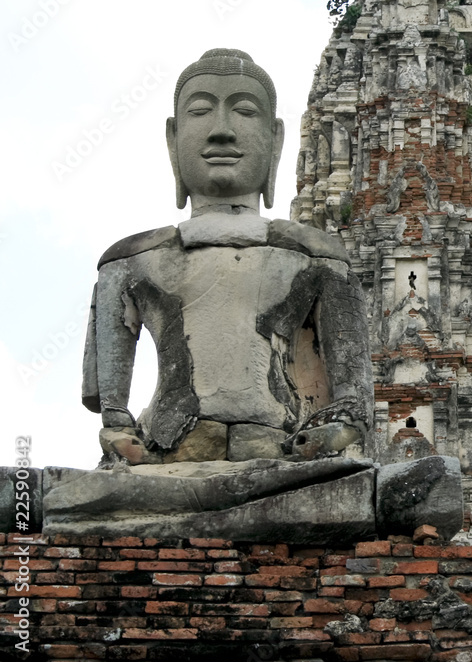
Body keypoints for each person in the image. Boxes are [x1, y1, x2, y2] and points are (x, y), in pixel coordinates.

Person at [82, 49, 373, 465]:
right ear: (173, 138)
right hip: (166, 455)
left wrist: (327, 436)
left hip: (279, 454)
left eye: (244, 112)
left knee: (423, 484)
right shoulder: (128, 261)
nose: (221, 131)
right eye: (200, 111)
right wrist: (121, 439)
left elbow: (354, 405)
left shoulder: (319, 259)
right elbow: (112, 414)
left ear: (276, 142)